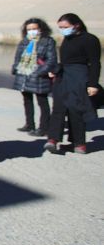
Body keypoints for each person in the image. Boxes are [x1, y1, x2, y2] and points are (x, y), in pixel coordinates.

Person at [44, 13, 101, 155]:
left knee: (76, 109)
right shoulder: (67, 38)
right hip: (63, 76)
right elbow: (66, 60)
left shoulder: (90, 39)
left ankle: (79, 144)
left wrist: (93, 84)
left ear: (77, 25)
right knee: (58, 107)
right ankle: (52, 140)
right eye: (60, 27)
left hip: (79, 77)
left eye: (65, 27)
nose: (62, 30)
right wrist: (55, 70)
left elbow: (95, 63)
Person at [11, 18, 57, 137]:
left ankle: (44, 128)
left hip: (39, 76)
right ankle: (29, 124)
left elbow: (51, 60)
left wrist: (39, 72)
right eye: (29, 29)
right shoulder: (24, 42)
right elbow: (18, 57)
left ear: (41, 29)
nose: (32, 31)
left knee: (42, 102)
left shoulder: (48, 41)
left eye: (34, 29)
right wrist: (16, 68)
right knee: (27, 100)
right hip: (24, 75)